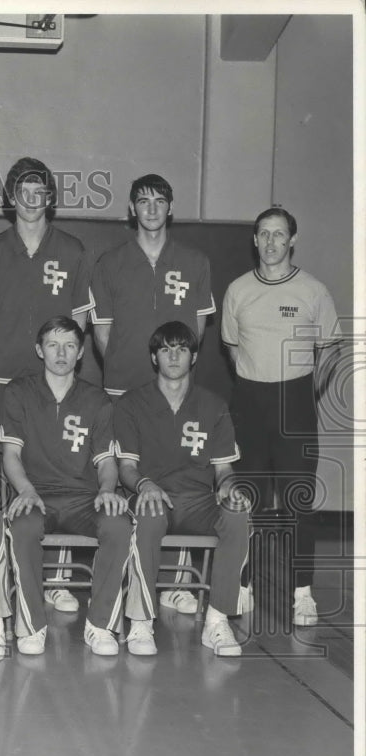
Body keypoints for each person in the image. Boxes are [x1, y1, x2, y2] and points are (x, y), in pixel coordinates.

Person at [0, 157, 95, 612]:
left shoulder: (74, 250)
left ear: (50, 198)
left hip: (54, 379)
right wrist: (7, 356)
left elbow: (78, 321)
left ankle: (57, 577)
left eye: (38, 190)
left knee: (61, 467)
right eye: (21, 189)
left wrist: (54, 364)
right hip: (1, 379)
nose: (30, 198)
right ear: (9, 197)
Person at [91, 173, 216, 613]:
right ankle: (124, 572)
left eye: (159, 200)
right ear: (131, 209)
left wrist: (170, 372)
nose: (150, 208)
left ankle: (180, 582)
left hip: (175, 390)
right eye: (142, 201)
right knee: (123, 477)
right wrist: (131, 368)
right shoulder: (109, 263)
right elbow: (101, 333)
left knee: (181, 477)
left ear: (170, 207)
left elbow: (196, 331)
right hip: (123, 387)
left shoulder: (195, 261)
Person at [0, 316, 133, 659]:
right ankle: (31, 625)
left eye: (70, 345)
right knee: (22, 524)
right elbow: (11, 455)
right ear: (39, 350)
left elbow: (107, 463)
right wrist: (26, 491)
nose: (61, 352)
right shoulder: (19, 392)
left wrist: (108, 489)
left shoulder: (98, 400)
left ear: (80, 354)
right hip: (37, 492)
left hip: (83, 497)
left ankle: (100, 624)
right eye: (53, 344)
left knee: (120, 524)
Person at [221, 207, 342, 626]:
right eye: (263, 234)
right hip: (250, 401)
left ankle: (302, 591)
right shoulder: (237, 290)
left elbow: (329, 348)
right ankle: (243, 582)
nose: (271, 242)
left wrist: (306, 391)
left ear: (292, 239)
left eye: (279, 234)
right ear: (254, 240)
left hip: (296, 402)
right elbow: (233, 348)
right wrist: (257, 381)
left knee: (297, 500)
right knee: (246, 497)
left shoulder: (313, 291)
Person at [114, 321, 251, 657]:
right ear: (154, 357)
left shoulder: (213, 405)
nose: (173, 356)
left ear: (193, 357)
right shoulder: (131, 404)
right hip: (151, 497)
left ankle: (217, 621)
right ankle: (141, 621)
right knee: (148, 511)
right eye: (165, 349)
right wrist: (145, 485)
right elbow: (127, 468)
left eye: (182, 349)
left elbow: (224, 470)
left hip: (197, 501)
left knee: (238, 513)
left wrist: (230, 487)